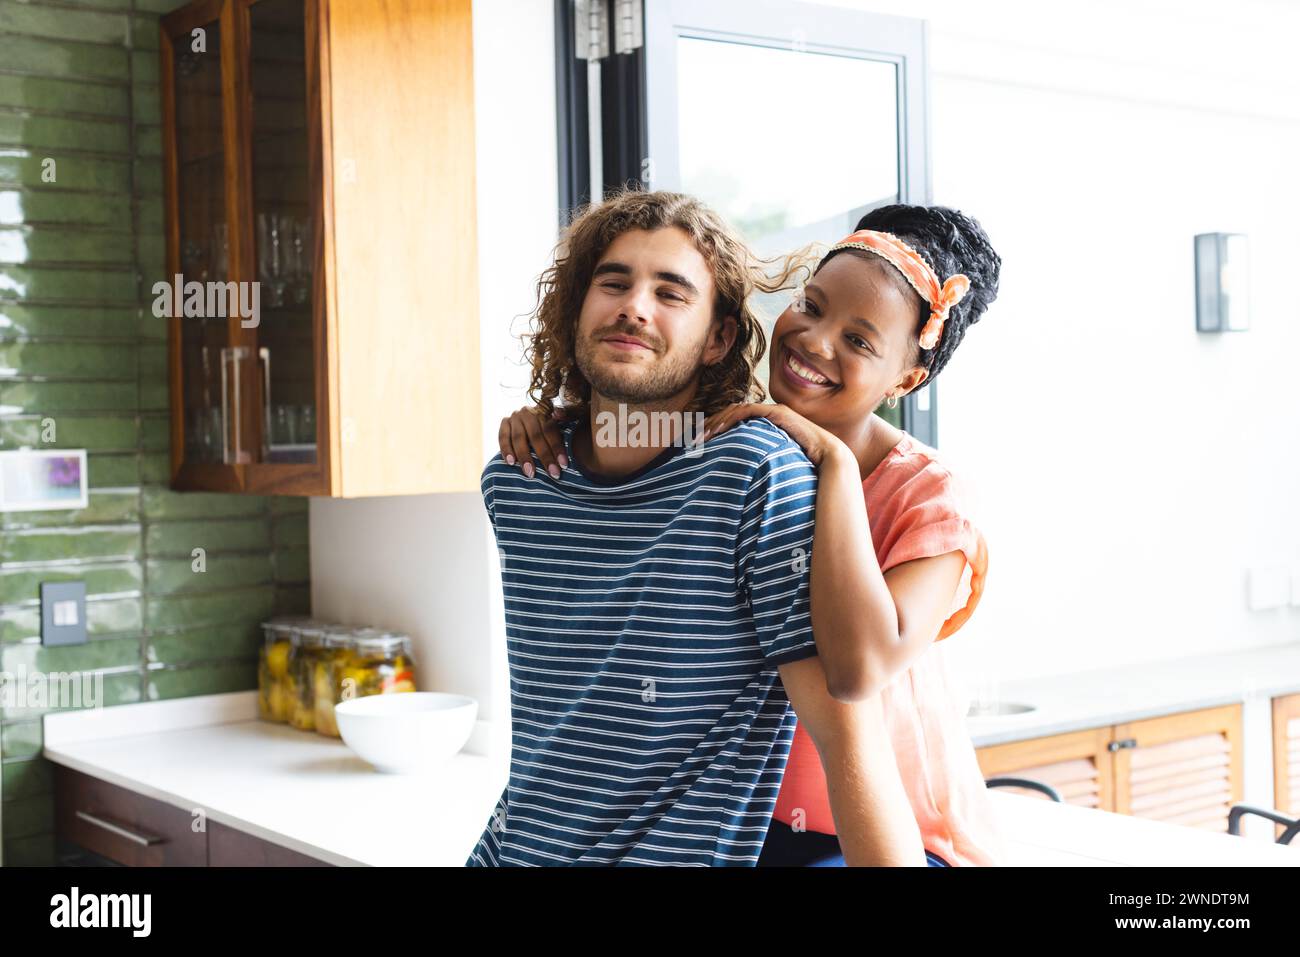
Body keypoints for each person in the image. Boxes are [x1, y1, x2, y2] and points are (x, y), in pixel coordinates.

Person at [500, 202, 1005, 867]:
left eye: (859, 340)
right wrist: (549, 418)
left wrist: (837, 469)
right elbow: (638, 424)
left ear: (907, 377)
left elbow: (856, 672)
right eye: (811, 306)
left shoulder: (924, 497)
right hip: (753, 818)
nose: (816, 341)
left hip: (889, 827)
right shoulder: (743, 437)